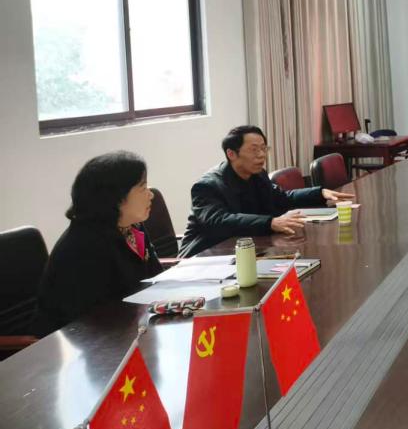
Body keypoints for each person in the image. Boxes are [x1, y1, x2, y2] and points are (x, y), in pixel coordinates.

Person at [32, 151, 163, 336]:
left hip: (128, 327)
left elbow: (155, 278)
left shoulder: (131, 227)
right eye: (142, 188)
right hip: (81, 341)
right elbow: (92, 316)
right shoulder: (84, 245)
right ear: (115, 197)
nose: (151, 195)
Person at [180, 125, 353, 257]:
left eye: (264, 148)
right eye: (254, 150)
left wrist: (319, 193)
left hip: (245, 252)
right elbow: (220, 221)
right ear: (231, 154)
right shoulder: (207, 186)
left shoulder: (257, 175)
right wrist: (270, 223)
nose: (261, 155)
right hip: (205, 258)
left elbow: (281, 198)